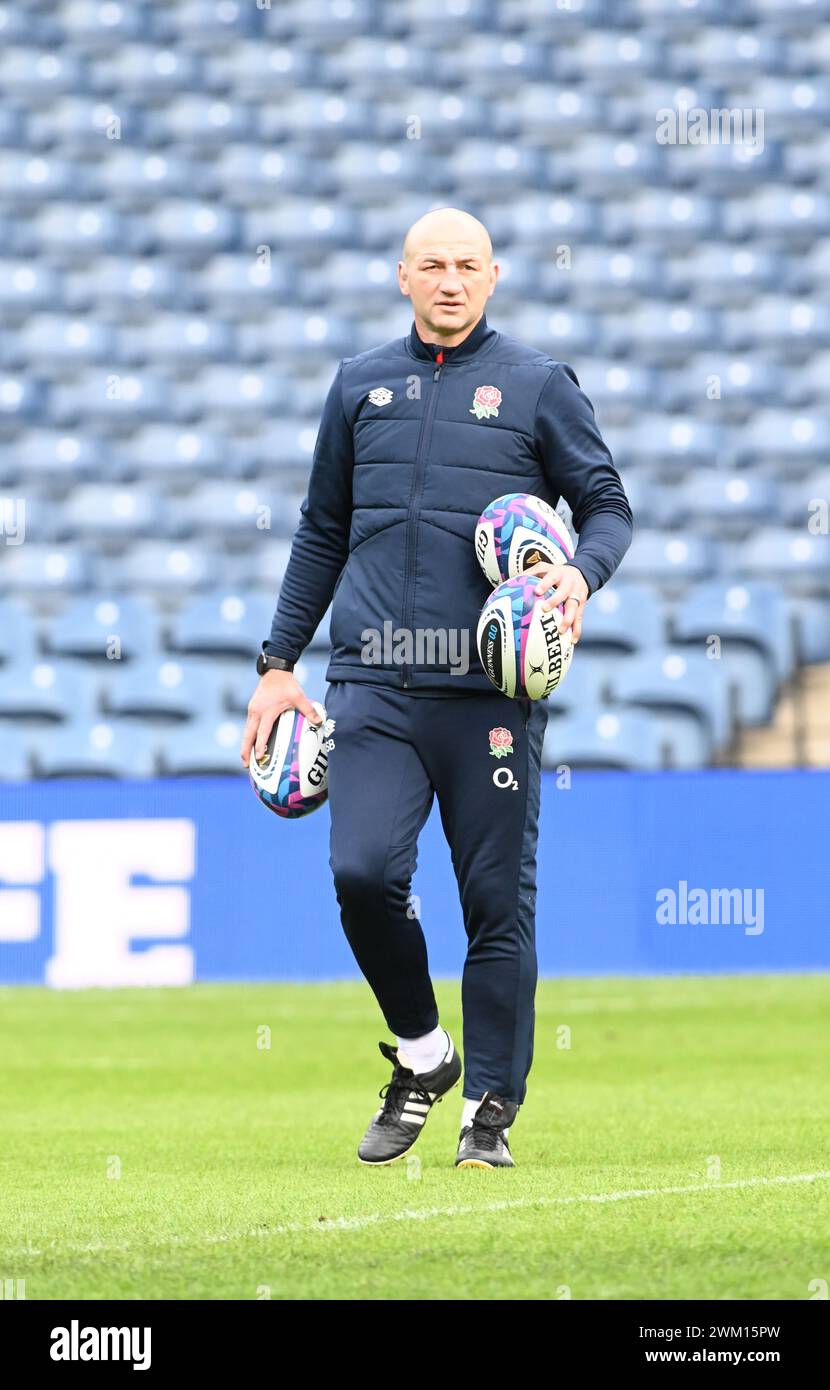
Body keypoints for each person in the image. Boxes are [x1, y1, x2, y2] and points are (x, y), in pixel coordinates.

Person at [241, 207, 633, 1169]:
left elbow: (609, 508)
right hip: (370, 681)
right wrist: (278, 666)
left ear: (492, 277)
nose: (450, 280)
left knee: (495, 902)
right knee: (361, 873)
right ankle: (423, 1055)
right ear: (402, 276)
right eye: (432, 265)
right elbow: (321, 529)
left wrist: (580, 574)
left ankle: (489, 1112)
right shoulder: (358, 385)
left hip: (487, 691)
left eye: (467, 265)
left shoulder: (540, 385)